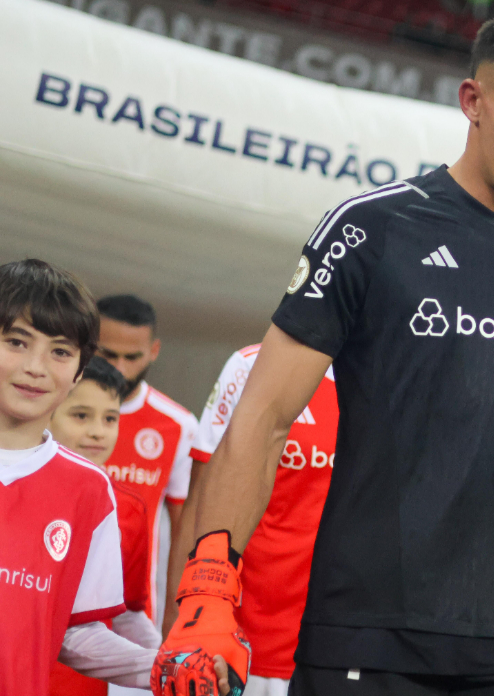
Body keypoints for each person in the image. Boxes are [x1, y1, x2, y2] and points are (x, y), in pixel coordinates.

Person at [153, 9, 494, 696]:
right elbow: (261, 420)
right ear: (471, 101)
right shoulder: (369, 230)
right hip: (364, 633)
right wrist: (206, 593)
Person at [0, 259, 156, 695]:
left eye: (61, 351)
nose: (36, 366)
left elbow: (75, 631)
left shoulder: (88, 489)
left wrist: (164, 667)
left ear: (80, 371)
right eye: (16, 341)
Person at [162, 343, 339, 696]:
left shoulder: (403, 370)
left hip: (340, 644)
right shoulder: (252, 365)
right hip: (239, 643)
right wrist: (177, 625)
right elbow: (199, 503)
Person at [48, 357, 161, 696]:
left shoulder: (127, 508)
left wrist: (169, 661)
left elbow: (126, 614)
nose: (98, 430)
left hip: (82, 687)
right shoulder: (12, 486)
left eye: (110, 418)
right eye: (81, 415)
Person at [95, 294, 198, 623]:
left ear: (153, 351)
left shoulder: (178, 426)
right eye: (108, 354)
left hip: (134, 613)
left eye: (132, 357)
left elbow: (185, 531)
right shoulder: (53, 406)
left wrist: (177, 615)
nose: (120, 369)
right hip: (54, 598)